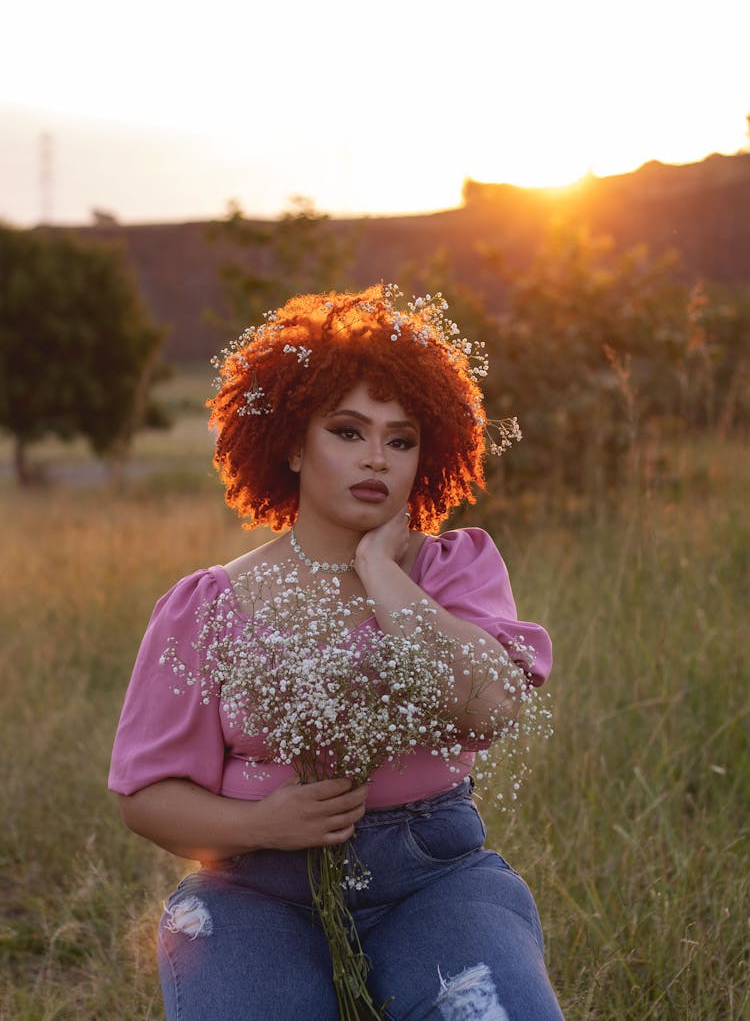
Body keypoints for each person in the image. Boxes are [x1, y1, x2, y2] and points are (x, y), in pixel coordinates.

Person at [109, 284, 565, 1020]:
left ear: (428, 454)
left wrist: (381, 571)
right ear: (292, 445)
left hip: (435, 878)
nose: (375, 459)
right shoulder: (209, 604)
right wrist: (263, 826)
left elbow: (493, 705)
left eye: (401, 438)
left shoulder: (453, 569)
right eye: (348, 432)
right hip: (255, 889)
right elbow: (145, 796)